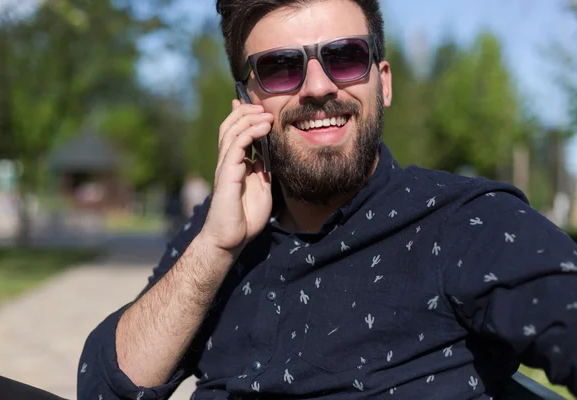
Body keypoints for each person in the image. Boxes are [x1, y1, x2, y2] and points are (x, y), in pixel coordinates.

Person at [77, 0, 577, 398]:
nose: (318, 87)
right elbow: (103, 389)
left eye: (344, 57)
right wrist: (214, 249)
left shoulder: (468, 224)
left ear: (382, 82)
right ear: (248, 104)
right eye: (278, 68)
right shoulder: (217, 235)